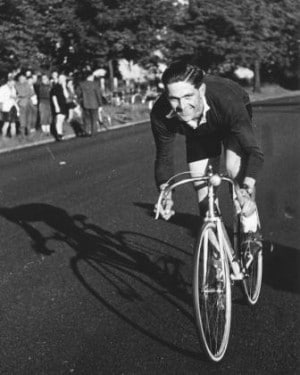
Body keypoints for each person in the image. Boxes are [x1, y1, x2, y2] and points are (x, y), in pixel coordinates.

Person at [151, 61, 264, 257]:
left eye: (188, 96)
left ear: (201, 89)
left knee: (233, 171)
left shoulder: (227, 100)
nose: (182, 106)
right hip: (199, 133)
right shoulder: (161, 113)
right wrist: (166, 193)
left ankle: (251, 228)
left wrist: (246, 187)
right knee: (203, 189)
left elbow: (254, 152)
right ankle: (218, 256)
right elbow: (163, 156)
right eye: (174, 99)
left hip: (227, 117)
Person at [76, 70, 102, 136]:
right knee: (94, 119)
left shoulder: (81, 84)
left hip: (85, 103)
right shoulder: (95, 84)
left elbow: (78, 93)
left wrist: (80, 100)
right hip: (94, 103)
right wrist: (100, 104)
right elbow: (98, 94)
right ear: (90, 76)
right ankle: (93, 132)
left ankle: (86, 131)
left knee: (86, 118)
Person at [50, 73, 69, 141]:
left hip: (64, 104)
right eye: (60, 79)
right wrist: (56, 106)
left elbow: (67, 96)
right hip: (58, 104)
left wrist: (64, 88)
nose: (62, 80)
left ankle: (60, 133)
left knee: (62, 118)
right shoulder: (55, 87)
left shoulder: (64, 87)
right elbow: (54, 97)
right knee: (59, 119)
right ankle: (59, 134)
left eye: (63, 79)